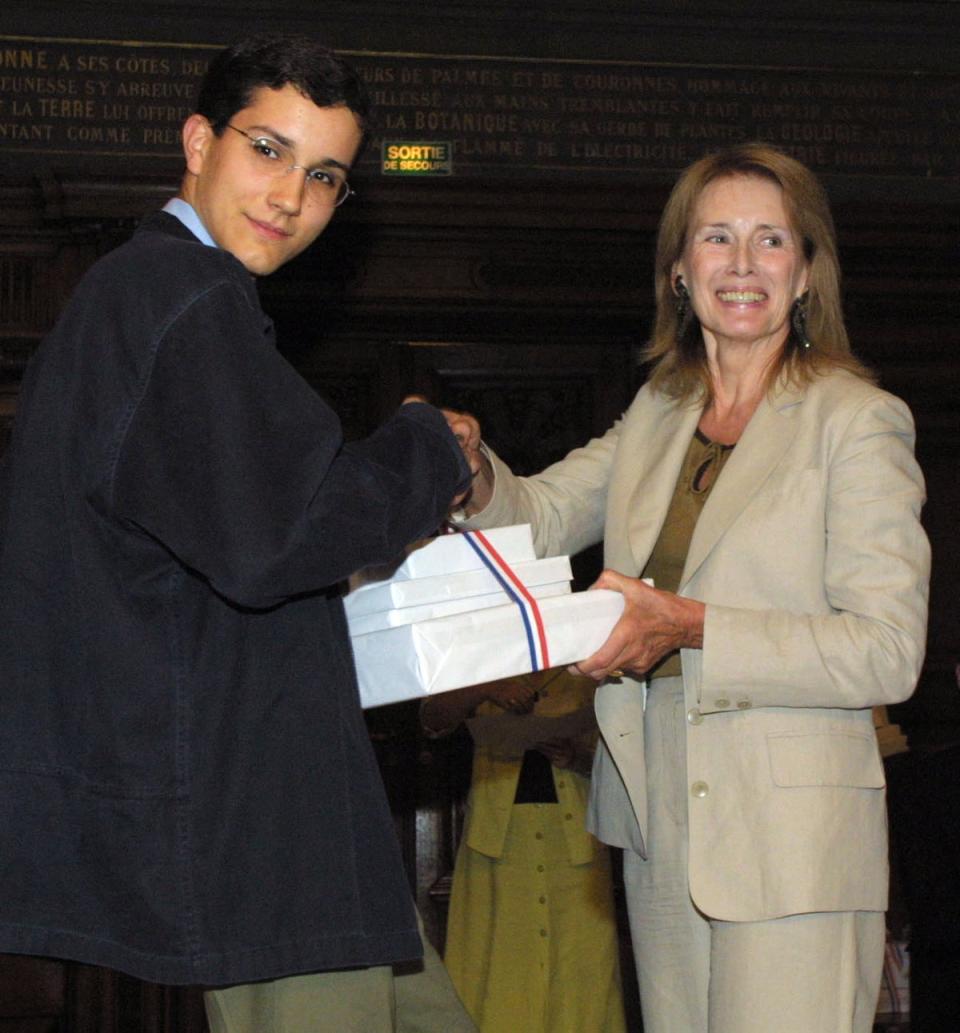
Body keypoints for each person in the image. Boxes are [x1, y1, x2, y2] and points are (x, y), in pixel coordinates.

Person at [0, 34, 478, 1033]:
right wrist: (427, 446)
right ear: (197, 140)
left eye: (323, 176)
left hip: (267, 813)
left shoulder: (138, 300)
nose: (290, 197)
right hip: (249, 820)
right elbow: (279, 532)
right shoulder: (182, 295)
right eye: (268, 150)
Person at [449, 142, 930, 1033]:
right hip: (659, 826)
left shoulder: (857, 421)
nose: (742, 265)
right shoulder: (656, 416)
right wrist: (472, 468)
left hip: (793, 849)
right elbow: (542, 515)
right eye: (717, 238)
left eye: (770, 240)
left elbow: (887, 649)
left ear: (806, 273)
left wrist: (690, 625)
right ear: (679, 271)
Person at [421, 669, 626, 1033]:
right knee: (497, 970)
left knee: (583, 975)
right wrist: (487, 686)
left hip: (575, 837)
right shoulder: (485, 647)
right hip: (497, 838)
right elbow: (432, 718)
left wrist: (576, 757)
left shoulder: (590, 648)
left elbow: (626, 753)